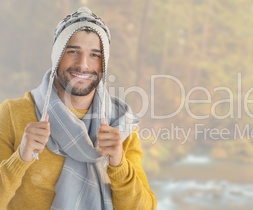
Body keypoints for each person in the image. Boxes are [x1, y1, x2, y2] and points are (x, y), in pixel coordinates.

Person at [0, 7, 157, 210]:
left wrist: (118, 164)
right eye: (72, 51)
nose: (83, 64)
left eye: (95, 55)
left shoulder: (120, 125)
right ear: (57, 55)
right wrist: (20, 158)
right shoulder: (13, 113)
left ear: (104, 64)